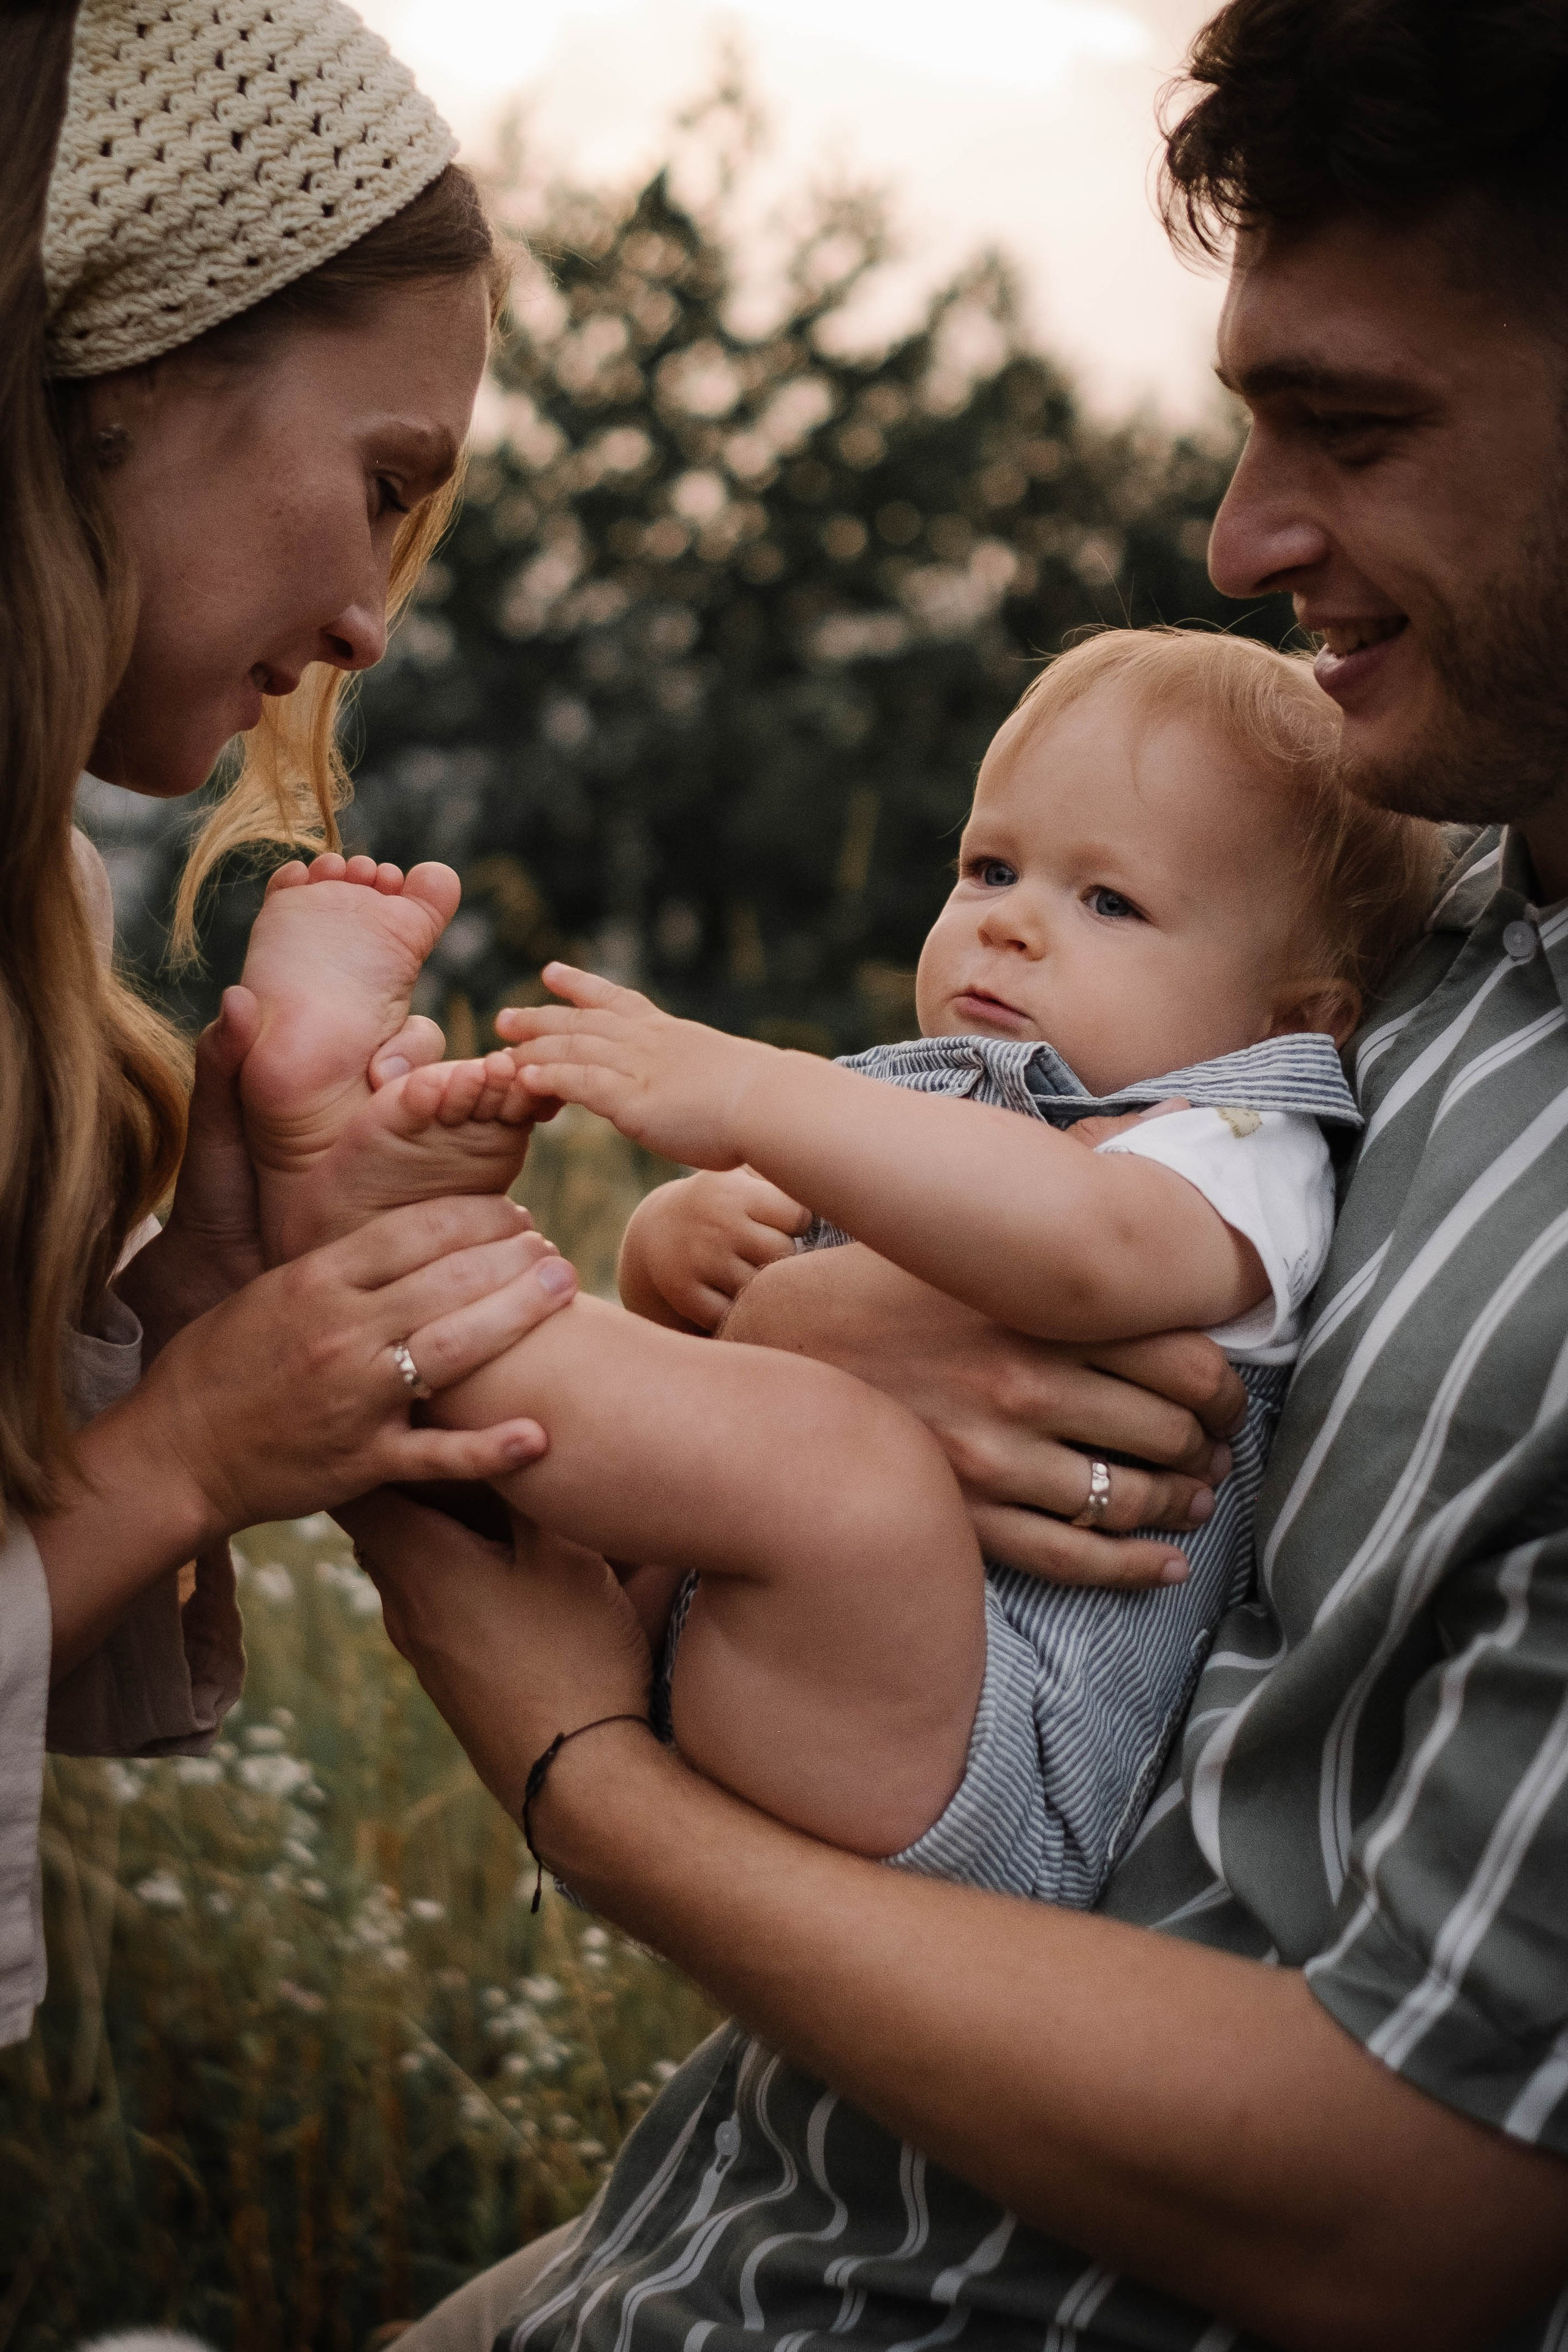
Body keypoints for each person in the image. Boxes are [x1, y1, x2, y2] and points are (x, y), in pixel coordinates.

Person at [369, 1, 1568, 2345]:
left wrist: (577, 1767)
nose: (1248, 540)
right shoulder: (1422, 932)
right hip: (678, 2254)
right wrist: (811, 1307)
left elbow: (1413, 2209)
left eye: (1355, 426)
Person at [231, 627, 1437, 1902]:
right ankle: (389, 1219)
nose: (1011, 925)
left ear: (1294, 1017)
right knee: (606, 1438)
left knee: (835, 1464)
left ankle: (375, 1265)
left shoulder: (1237, 1142)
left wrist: (753, 1089)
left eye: (1107, 901)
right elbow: (730, 1305)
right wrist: (672, 1246)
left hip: (993, 1770)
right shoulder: (917, 1106)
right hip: (689, 1640)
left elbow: (1089, 1250)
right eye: (989, 867)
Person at [0, 0, 586, 2052]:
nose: (367, 622)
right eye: (384, 478)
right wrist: (180, 1458)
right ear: (124, 381)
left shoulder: (38, 911)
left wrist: (209, 1295)